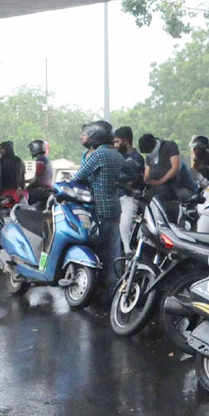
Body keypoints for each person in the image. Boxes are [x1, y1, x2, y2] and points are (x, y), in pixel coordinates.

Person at [71, 120, 126, 294]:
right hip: (115, 208)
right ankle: (115, 286)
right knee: (114, 249)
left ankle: (98, 287)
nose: (82, 137)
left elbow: (78, 177)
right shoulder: (118, 155)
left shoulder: (98, 155)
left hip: (99, 208)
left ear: (96, 136)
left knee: (99, 249)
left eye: (86, 134)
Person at [113, 127, 145, 254]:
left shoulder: (136, 158)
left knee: (125, 227)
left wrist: (118, 181)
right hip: (116, 196)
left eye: (117, 142)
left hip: (129, 197)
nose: (114, 145)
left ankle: (128, 253)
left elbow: (132, 181)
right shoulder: (118, 156)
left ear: (125, 141)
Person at [140, 131, 181, 205]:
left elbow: (175, 169)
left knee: (155, 195)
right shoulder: (149, 156)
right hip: (154, 185)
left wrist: (160, 182)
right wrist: (146, 179)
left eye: (149, 151)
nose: (149, 154)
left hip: (170, 185)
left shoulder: (170, 146)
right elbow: (147, 173)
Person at [26, 139, 54, 207]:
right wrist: (26, 181)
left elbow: (37, 180)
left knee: (23, 196)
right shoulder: (45, 159)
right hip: (47, 190)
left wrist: (26, 189)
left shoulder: (40, 160)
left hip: (42, 190)